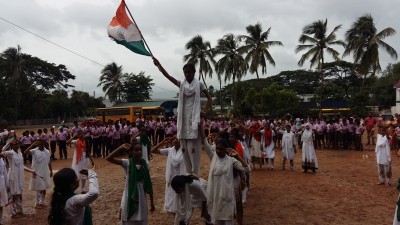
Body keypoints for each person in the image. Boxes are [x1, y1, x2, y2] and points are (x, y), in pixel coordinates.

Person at [153, 57, 212, 176]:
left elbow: (210, 99)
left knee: (193, 150)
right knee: (184, 150)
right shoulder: (181, 84)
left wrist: (204, 112)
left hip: (194, 120)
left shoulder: (199, 84)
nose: (187, 74)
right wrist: (159, 65)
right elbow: (168, 77)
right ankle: (187, 174)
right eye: (185, 72)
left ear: (194, 72)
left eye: (189, 72)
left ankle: (195, 175)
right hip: (183, 121)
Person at [106, 142, 155, 224]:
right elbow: (109, 158)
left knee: (142, 219)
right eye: (136, 150)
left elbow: (148, 184)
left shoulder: (145, 164)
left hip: (142, 197)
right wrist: (120, 147)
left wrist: (152, 201)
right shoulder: (127, 163)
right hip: (129, 196)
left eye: (140, 150)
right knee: (129, 219)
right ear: (131, 152)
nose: (139, 152)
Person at [1, 137, 36, 218]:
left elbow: (22, 166)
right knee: (12, 195)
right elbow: (3, 151)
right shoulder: (10, 153)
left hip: (20, 177)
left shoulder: (20, 153)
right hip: (13, 176)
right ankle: (12, 213)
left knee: (19, 194)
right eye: (14, 144)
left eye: (18, 144)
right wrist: (9, 143)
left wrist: (32, 171)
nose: (17, 145)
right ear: (12, 146)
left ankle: (20, 211)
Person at [151, 137, 185, 213]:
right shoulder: (170, 150)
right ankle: (172, 208)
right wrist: (162, 142)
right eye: (174, 139)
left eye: (177, 139)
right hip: (171, 176)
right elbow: (153, 151)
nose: (175, 140)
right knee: (171, 192)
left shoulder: (184, 150)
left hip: (180, 176)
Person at [24, 139, 53, 208]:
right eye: (39, 144)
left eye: (42, 144)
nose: (41, 146)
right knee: (38, 188)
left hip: (45, 171)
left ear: (44, 144)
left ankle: (42, 202)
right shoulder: (34, 151)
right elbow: (25, 152)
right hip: (37, 172)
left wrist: (51, 171)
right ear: (37, 144)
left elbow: (48, 162)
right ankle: (37, 203)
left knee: (44, 187)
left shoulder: (47, 151)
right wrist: (32, 145)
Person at [0, 148, 8, 224]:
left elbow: (5, 173)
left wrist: (7, 185)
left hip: (1, 183)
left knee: (1, 203)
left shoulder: (2, 160)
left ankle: (0, 220)